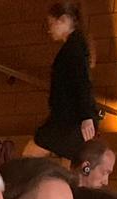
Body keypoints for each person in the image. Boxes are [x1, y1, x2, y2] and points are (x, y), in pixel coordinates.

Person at [26, 2, 96, 160]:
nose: (49, 29)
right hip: (69, 119)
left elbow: (82, 82)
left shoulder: (74, 48)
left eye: (52, 23)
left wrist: (86, 116)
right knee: (70, 164)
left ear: (64, 20)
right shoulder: (76, 45)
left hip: (68, 120)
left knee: (29, 157)